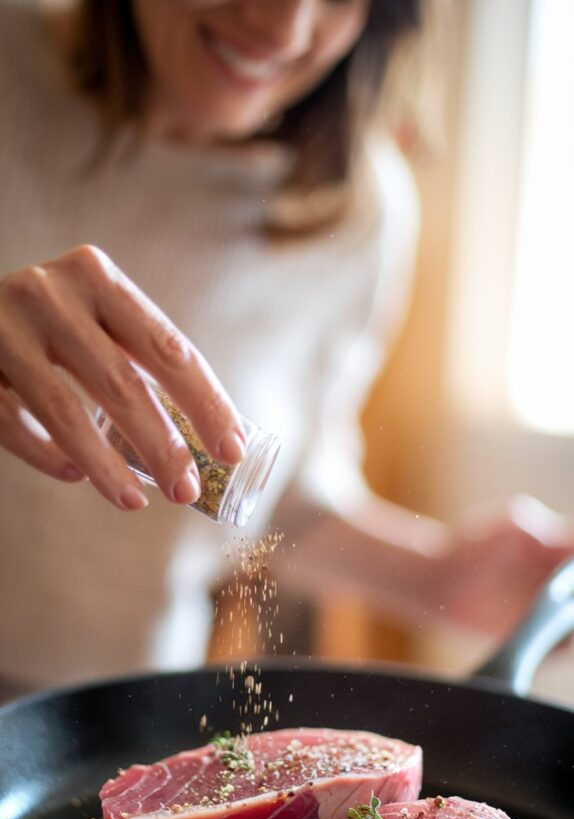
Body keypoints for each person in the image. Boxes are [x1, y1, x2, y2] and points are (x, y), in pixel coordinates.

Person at [0, 0, 572, 696]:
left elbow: (276, 499)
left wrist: (439, 576)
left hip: (111, 719)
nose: (285, 30)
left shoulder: (357, 211)